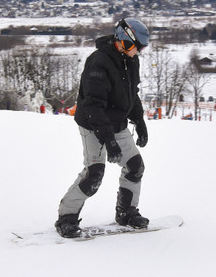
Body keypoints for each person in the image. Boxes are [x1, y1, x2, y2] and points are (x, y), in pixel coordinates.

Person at [56, 18, 150, 238]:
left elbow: (132, 94)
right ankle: (66, 218)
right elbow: (93, 106)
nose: (139, 52)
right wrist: (109, 140)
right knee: (94, 175)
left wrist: (140, 121)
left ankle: (126, 212)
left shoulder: (131, 60)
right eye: (138, 47)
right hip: (93, 124)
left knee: (135, 167)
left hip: (117, 123)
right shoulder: (98, 62)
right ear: (126, 41)